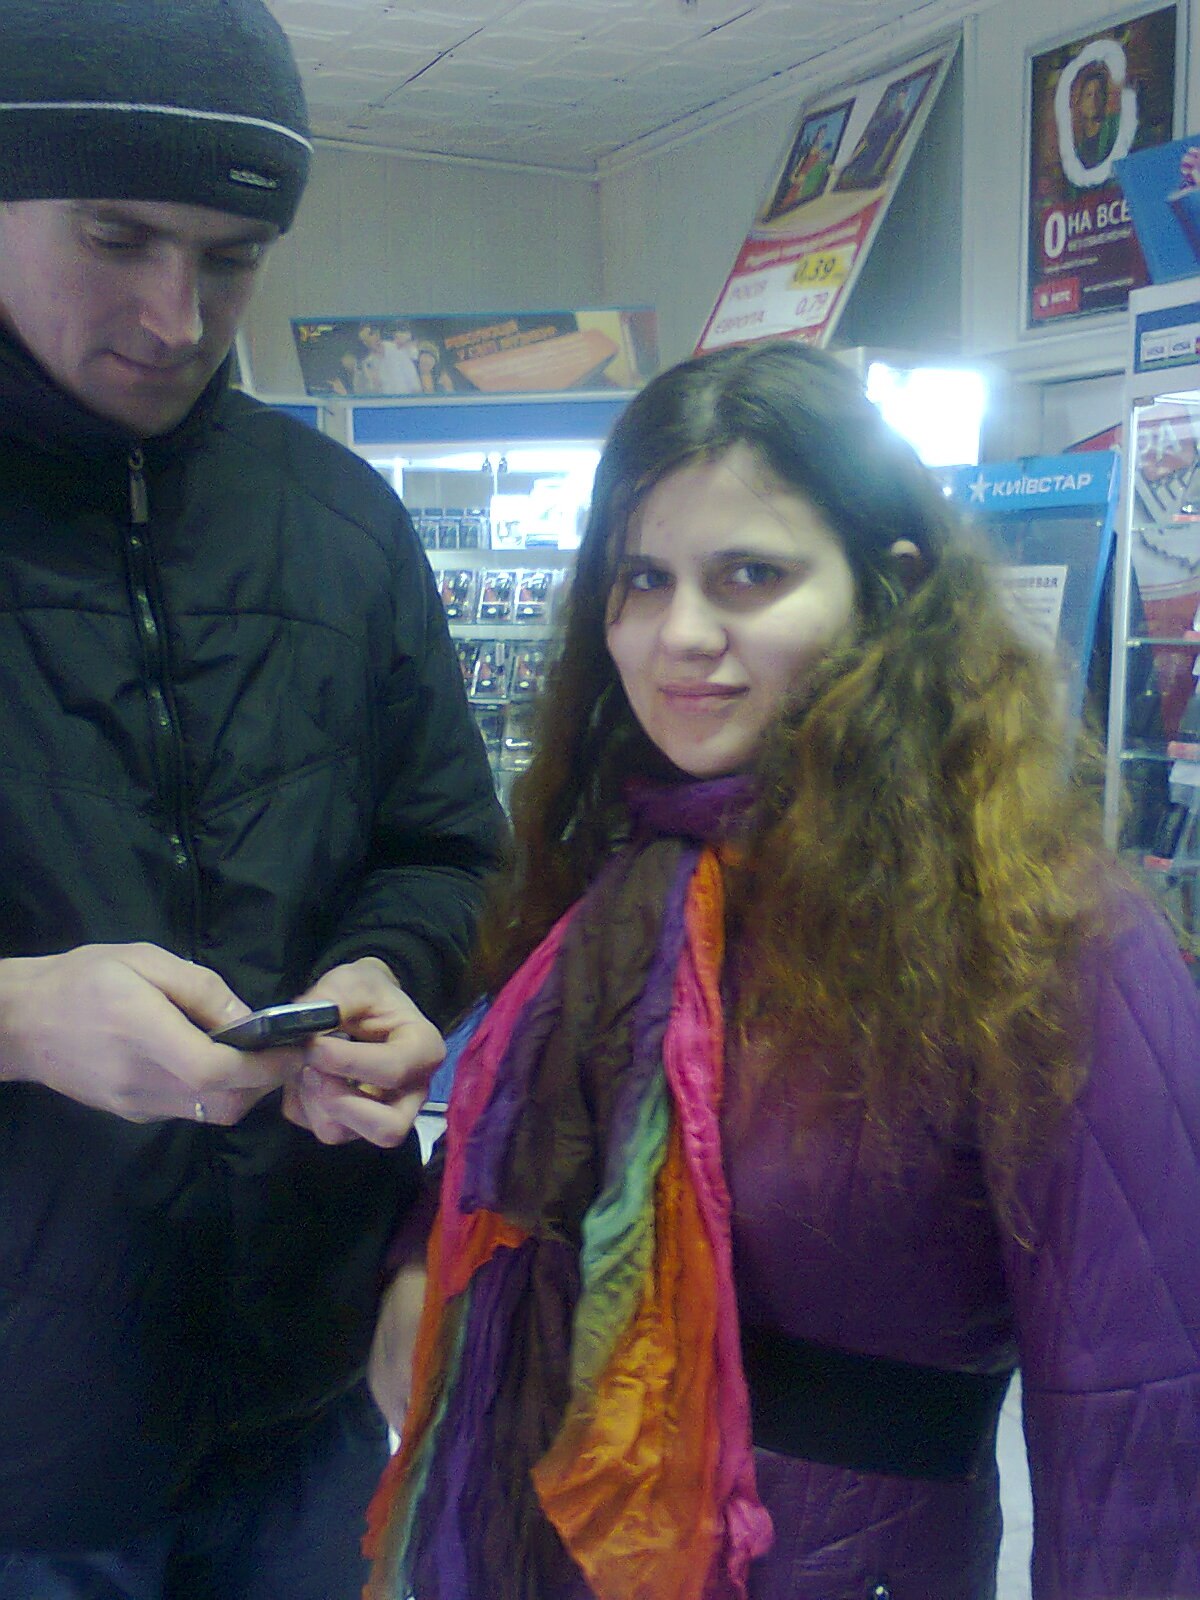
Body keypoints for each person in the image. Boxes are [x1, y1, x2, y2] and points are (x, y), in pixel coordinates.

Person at [364, 341, 1200, 1600]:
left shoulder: (1044, 933)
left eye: (750, 575)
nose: (682, 634)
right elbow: (524, 1164)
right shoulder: (617, 886)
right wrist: (420, 1261)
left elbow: (1144, 1414)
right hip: (559, 1547)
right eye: (643, 579)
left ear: (889, 587)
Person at [0, 2, 504, 1597]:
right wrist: (15, 1018)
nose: (177, 315)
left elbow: (446, 848)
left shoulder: (344, 524)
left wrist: (394, 974)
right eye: (117, 236)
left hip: (305, 1406)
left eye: (232, 258)